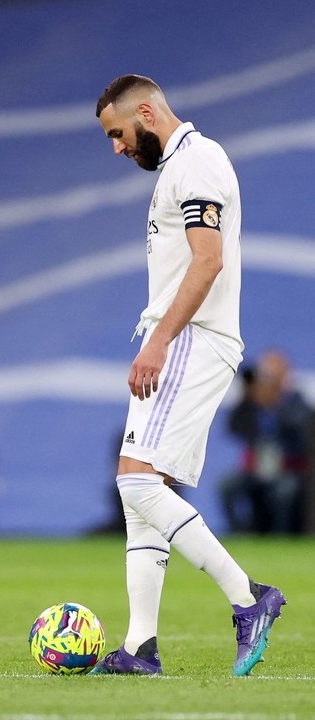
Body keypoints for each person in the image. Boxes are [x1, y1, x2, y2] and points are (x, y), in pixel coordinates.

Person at [90, 74, 284, 677]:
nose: (117, 147)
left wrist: (160, 342)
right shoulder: (177, 166)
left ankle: (249, 598)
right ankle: (140, 648)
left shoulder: (198, 161)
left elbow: (208, 260)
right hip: (182, 338)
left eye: (118, 133)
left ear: (146, 112)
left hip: (191, 340)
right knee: (140, 492)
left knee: (139, 485)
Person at [220, 350, 309, 534]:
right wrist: (248, 396)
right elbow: (233, 427)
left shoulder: (295, 401)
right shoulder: (251, 403)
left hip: (287, 469)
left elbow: (299, 430)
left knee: (285, 491)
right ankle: (239, 534)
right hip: (254, 469)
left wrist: (274, 402)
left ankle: (280, 537)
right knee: (227, 486)